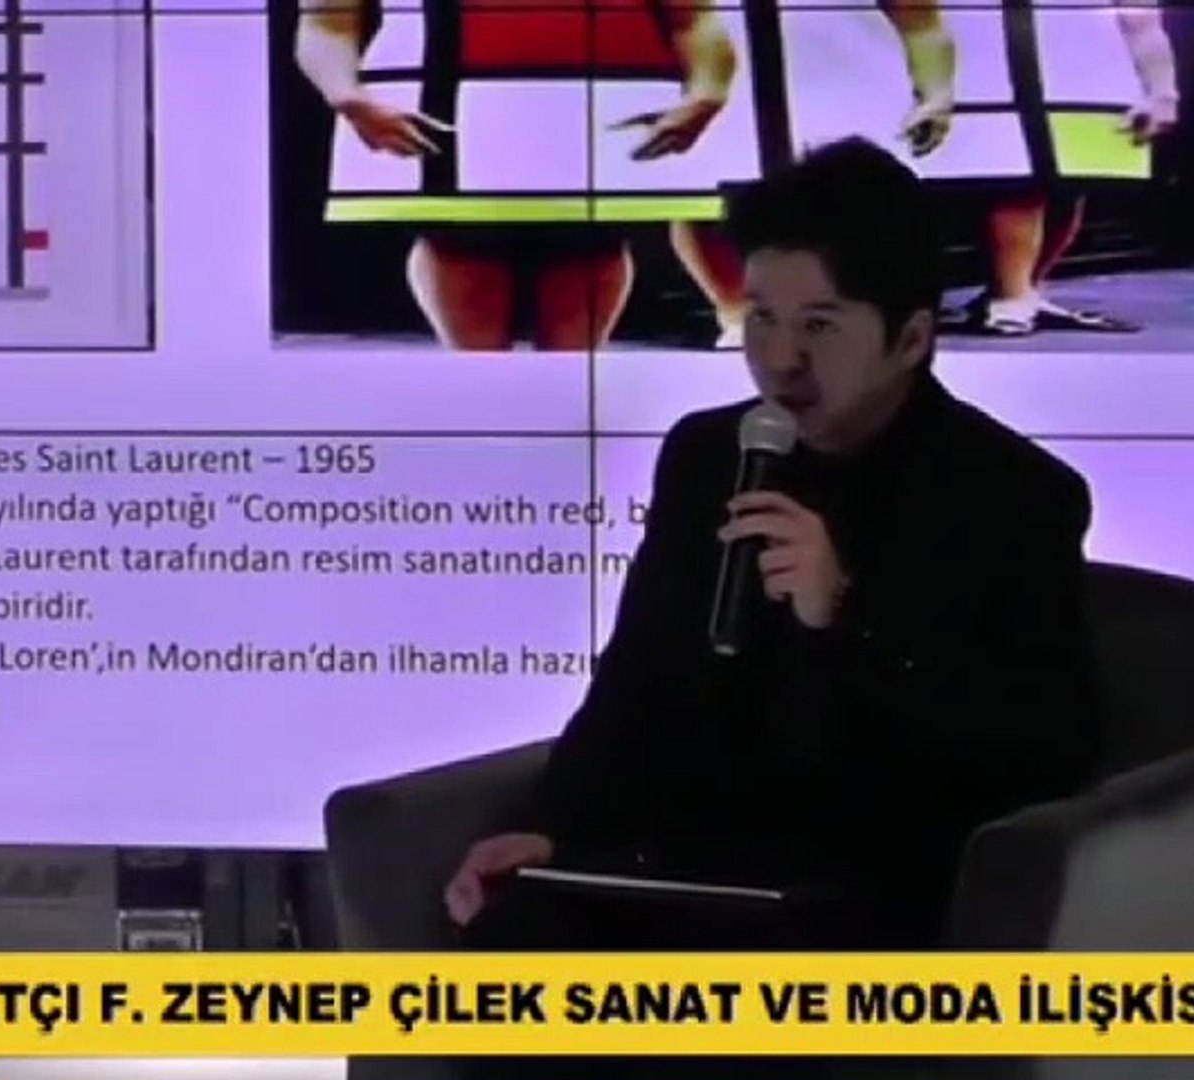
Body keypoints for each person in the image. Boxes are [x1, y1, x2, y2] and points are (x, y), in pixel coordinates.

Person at [445, 137, 1105, 1078]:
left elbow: (1039, 752)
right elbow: (637, 677)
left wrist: (847, 618)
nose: (780, 361)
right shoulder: (710, 456)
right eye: (761, 318)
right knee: (505, 959)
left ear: (912, 338)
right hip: (696, 865)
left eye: (820, 327)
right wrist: (558, 826)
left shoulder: (1014, 495)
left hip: (878, 894)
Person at [295, 0, 737, 351]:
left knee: (585, 270)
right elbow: (327, 23)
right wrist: (345, 94)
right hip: (445, 125)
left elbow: (694, 19)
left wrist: (709, 91)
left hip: (596, 120)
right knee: (463, 258)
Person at [674, 0, 956, 349]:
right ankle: (740, 317)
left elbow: (922, 24)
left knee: (863, 210)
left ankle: (866, 315)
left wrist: (937, 93)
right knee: (707, 202)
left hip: (853, 87)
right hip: (728, 88)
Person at [963, 0, 1181, 337]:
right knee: (1018, 180)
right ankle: (1011, 295)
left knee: (1072, 183)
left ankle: (1025, 290)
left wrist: (1163, 92)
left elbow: (1143, 19)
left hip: (1089, 75)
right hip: (1004, 66)